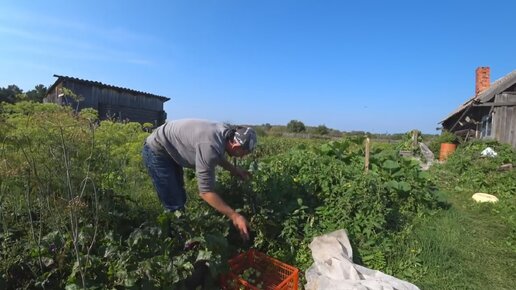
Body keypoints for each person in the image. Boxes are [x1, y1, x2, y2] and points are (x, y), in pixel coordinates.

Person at [142, 119, 257, 241]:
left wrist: (234, 170)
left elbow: (218, 154)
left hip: (170, 146)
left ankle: (180, 233)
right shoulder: (209, 146)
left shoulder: (226, 133)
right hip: (157, 150)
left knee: (179, 196)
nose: (243, 156)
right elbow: (206, 192)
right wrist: (235, 216)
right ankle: (173, 244)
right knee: (174, 202)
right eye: (244, 152)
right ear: (236, 145)